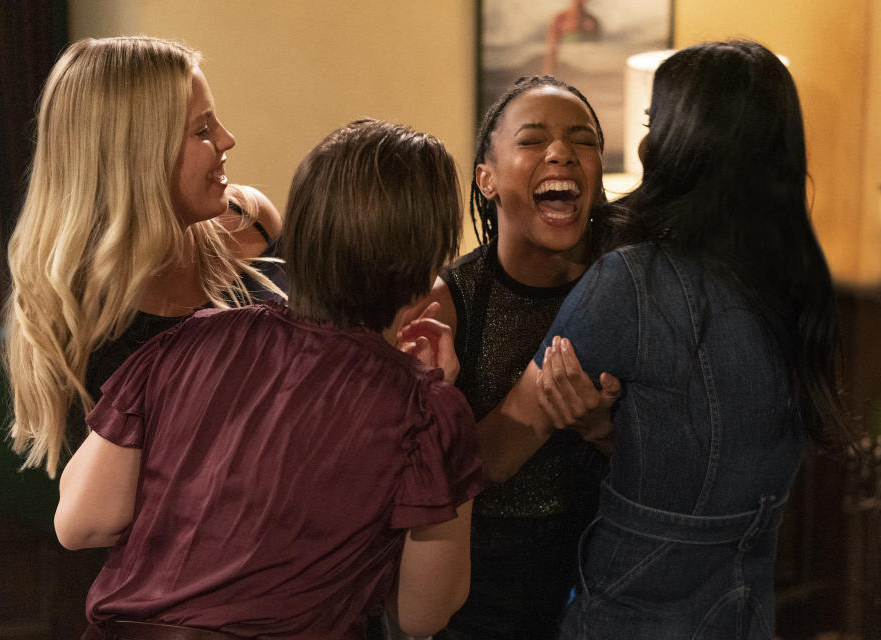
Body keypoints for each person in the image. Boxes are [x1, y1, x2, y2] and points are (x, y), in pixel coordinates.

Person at [54, 119, 484, 639]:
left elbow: (79, 522)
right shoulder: (427, 412)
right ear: (426, 262)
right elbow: (422, 615)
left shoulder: (187, 341)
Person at [497, 40, 850, 638]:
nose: (643, 142)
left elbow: (497, 451)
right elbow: (696, 473)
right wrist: (605, 431)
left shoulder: (634, 282)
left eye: (651, 123)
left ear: (684, 141)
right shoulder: (795, 288)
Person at [4, 36, 283, 479]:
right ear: (138, 156)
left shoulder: (249, 223)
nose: (228, 139)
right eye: (202, 130)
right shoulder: (77, 321)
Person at [416, 76, 618, 640]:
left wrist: (601, 430)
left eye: (583, 140)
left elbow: (679, 459)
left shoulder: (626, 289)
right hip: (482, 586)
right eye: (533, 140)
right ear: (487, 179)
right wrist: (528, 421)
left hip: (605, 574)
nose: (562, 152)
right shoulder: (448, 299)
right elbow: (423, 476)